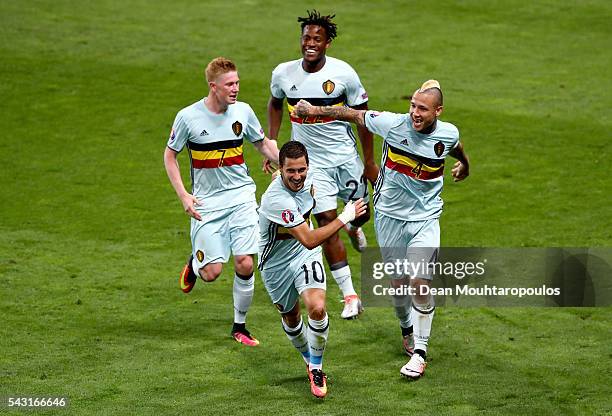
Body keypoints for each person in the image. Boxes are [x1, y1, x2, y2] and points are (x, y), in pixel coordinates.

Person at [292, 79, 470, 380]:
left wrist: (465, 164)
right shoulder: (391, 124)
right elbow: (351, 114)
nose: (414, 113)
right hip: (388, 217)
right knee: (399, 286)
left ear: (438, 111)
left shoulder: (447, 133)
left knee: (419, 284)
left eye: (422, 109)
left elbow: (455, 146)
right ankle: (406, 329)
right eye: (413, 105)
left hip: (426, 219)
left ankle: (420, 352)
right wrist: (313, 110)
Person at [266, 10, 379, 319]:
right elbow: (275, 103)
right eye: (306, 38)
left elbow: (363, 118)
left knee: (359, 215)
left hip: (345, 158)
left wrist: (369, 161)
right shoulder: (284, 74)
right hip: (312, 165)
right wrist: (272, 142)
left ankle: (354, 228)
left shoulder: (344, 74)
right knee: (328, 221)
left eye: (317, 39)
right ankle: (350, 295)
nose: (310, 44)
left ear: (327, 42)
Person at [164, 57, 279, 347]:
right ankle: (195, 263)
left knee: (244, 263)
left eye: (237, 82)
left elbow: (262, 144)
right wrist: (184, 195)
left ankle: (240, 326)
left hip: (241, 196)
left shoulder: (243, 112)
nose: (236, 88)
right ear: (213, 87)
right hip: (207, 203)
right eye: (229, 84)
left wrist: (290, 164)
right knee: (211, 273)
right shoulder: (188, 117)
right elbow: (170, 156)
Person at [258, 141, 366, 398]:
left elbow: (307, 244)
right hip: (275, 262)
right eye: (290, 172)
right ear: (282, 170)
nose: (297, 177)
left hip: (304, 255)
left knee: (317, 308)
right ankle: (308, 357)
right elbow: (309, 237)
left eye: (301, 170)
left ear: (308, 166)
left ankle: (316, 367)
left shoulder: (312, 177)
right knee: (291, 317)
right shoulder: (275, 200)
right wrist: (344, 218)